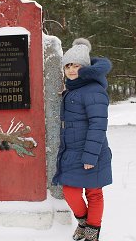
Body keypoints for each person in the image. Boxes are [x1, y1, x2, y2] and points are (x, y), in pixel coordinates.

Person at [52, 38, 112, 241]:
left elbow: (98, 125)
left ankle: (92, 233)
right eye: (68, 65)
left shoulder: (94, 91)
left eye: (76, 65)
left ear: (85, 68)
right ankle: (83, 222)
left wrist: (90, 157)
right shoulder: (74, 89)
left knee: (94, 193)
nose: (71, 70)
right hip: (73, 153)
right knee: (70, 191)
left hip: (92, 153)